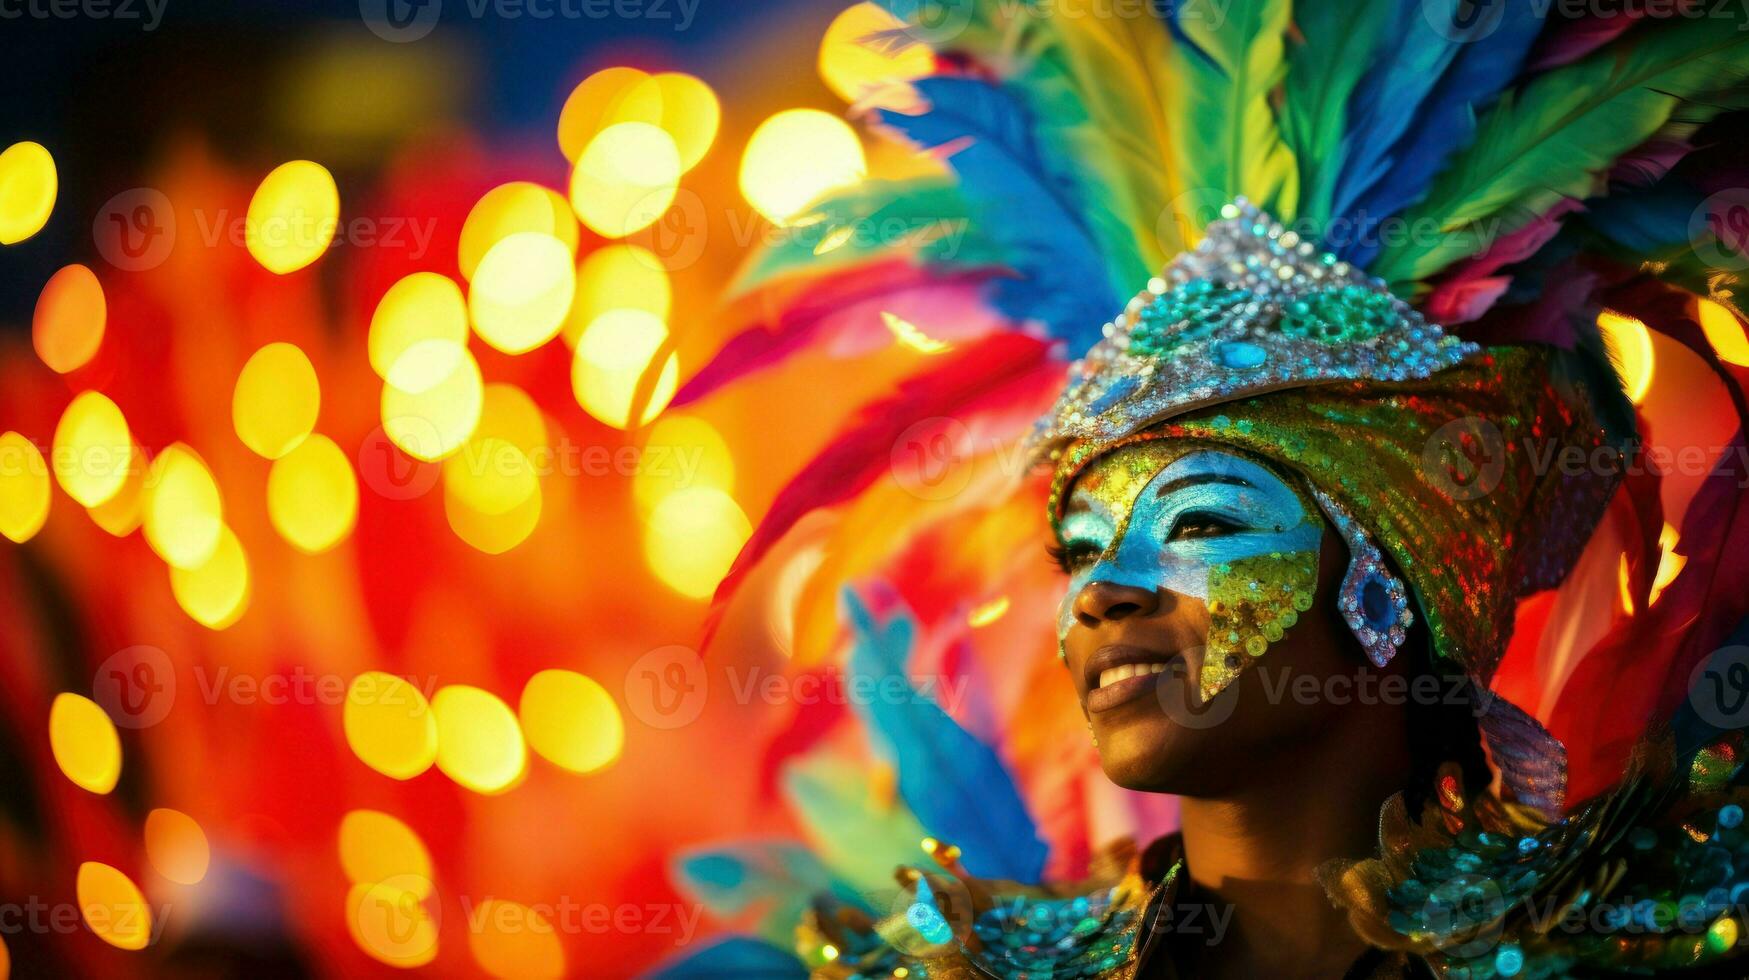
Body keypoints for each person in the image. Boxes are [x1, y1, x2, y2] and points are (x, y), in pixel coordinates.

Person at [658, 4, 1749, 977]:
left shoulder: (1640, 935)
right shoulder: (958, 964)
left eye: (1203, 521)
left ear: (1385, 585)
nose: (1097, 596)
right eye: (1080, 548)